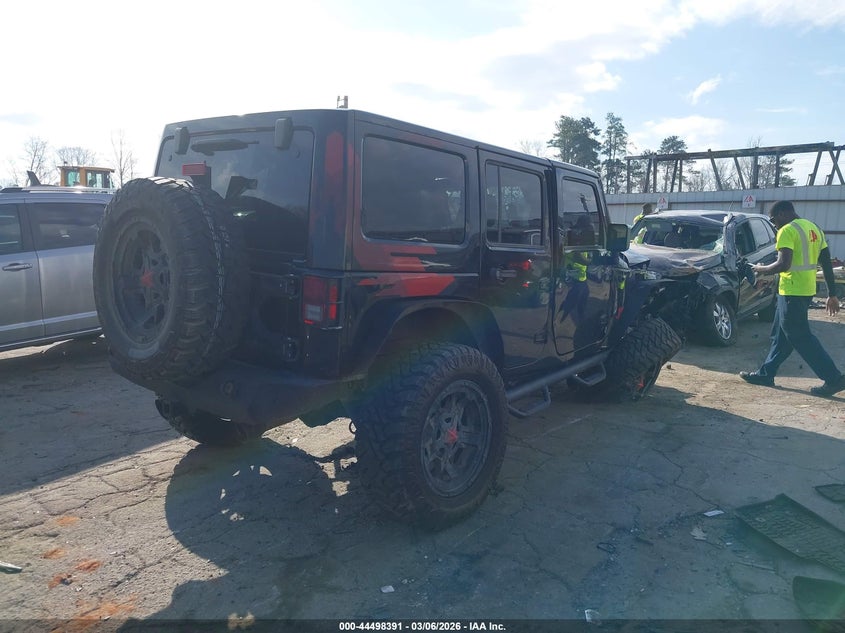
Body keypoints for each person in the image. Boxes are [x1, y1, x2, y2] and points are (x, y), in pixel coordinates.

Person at [739, 200, 845, 397]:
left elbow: (783, 265)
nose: (773, 225)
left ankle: (833, 378)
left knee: (799, 336)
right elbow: (826, 264)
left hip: (792, 293)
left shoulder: (787, 230)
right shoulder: (813, 228)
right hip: (803, 291)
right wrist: (831, 293)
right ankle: (766, 373)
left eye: (773, 220)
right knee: (781, 336)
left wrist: (760, 269)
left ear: (782, 214)